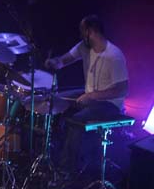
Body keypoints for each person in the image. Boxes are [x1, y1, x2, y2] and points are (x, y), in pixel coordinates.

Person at [45, 14, 129, 172]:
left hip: (109, 104)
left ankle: (66, 171)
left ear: (90, 31)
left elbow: (122, 89)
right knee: (55, 100)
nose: (80, 35)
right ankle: (53, 157)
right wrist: (54, 62)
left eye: (82, 31)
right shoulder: (84, 47)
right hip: (89, 95)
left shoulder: (114, 56)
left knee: (75, 121)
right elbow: (65, 60)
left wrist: (91, 96)